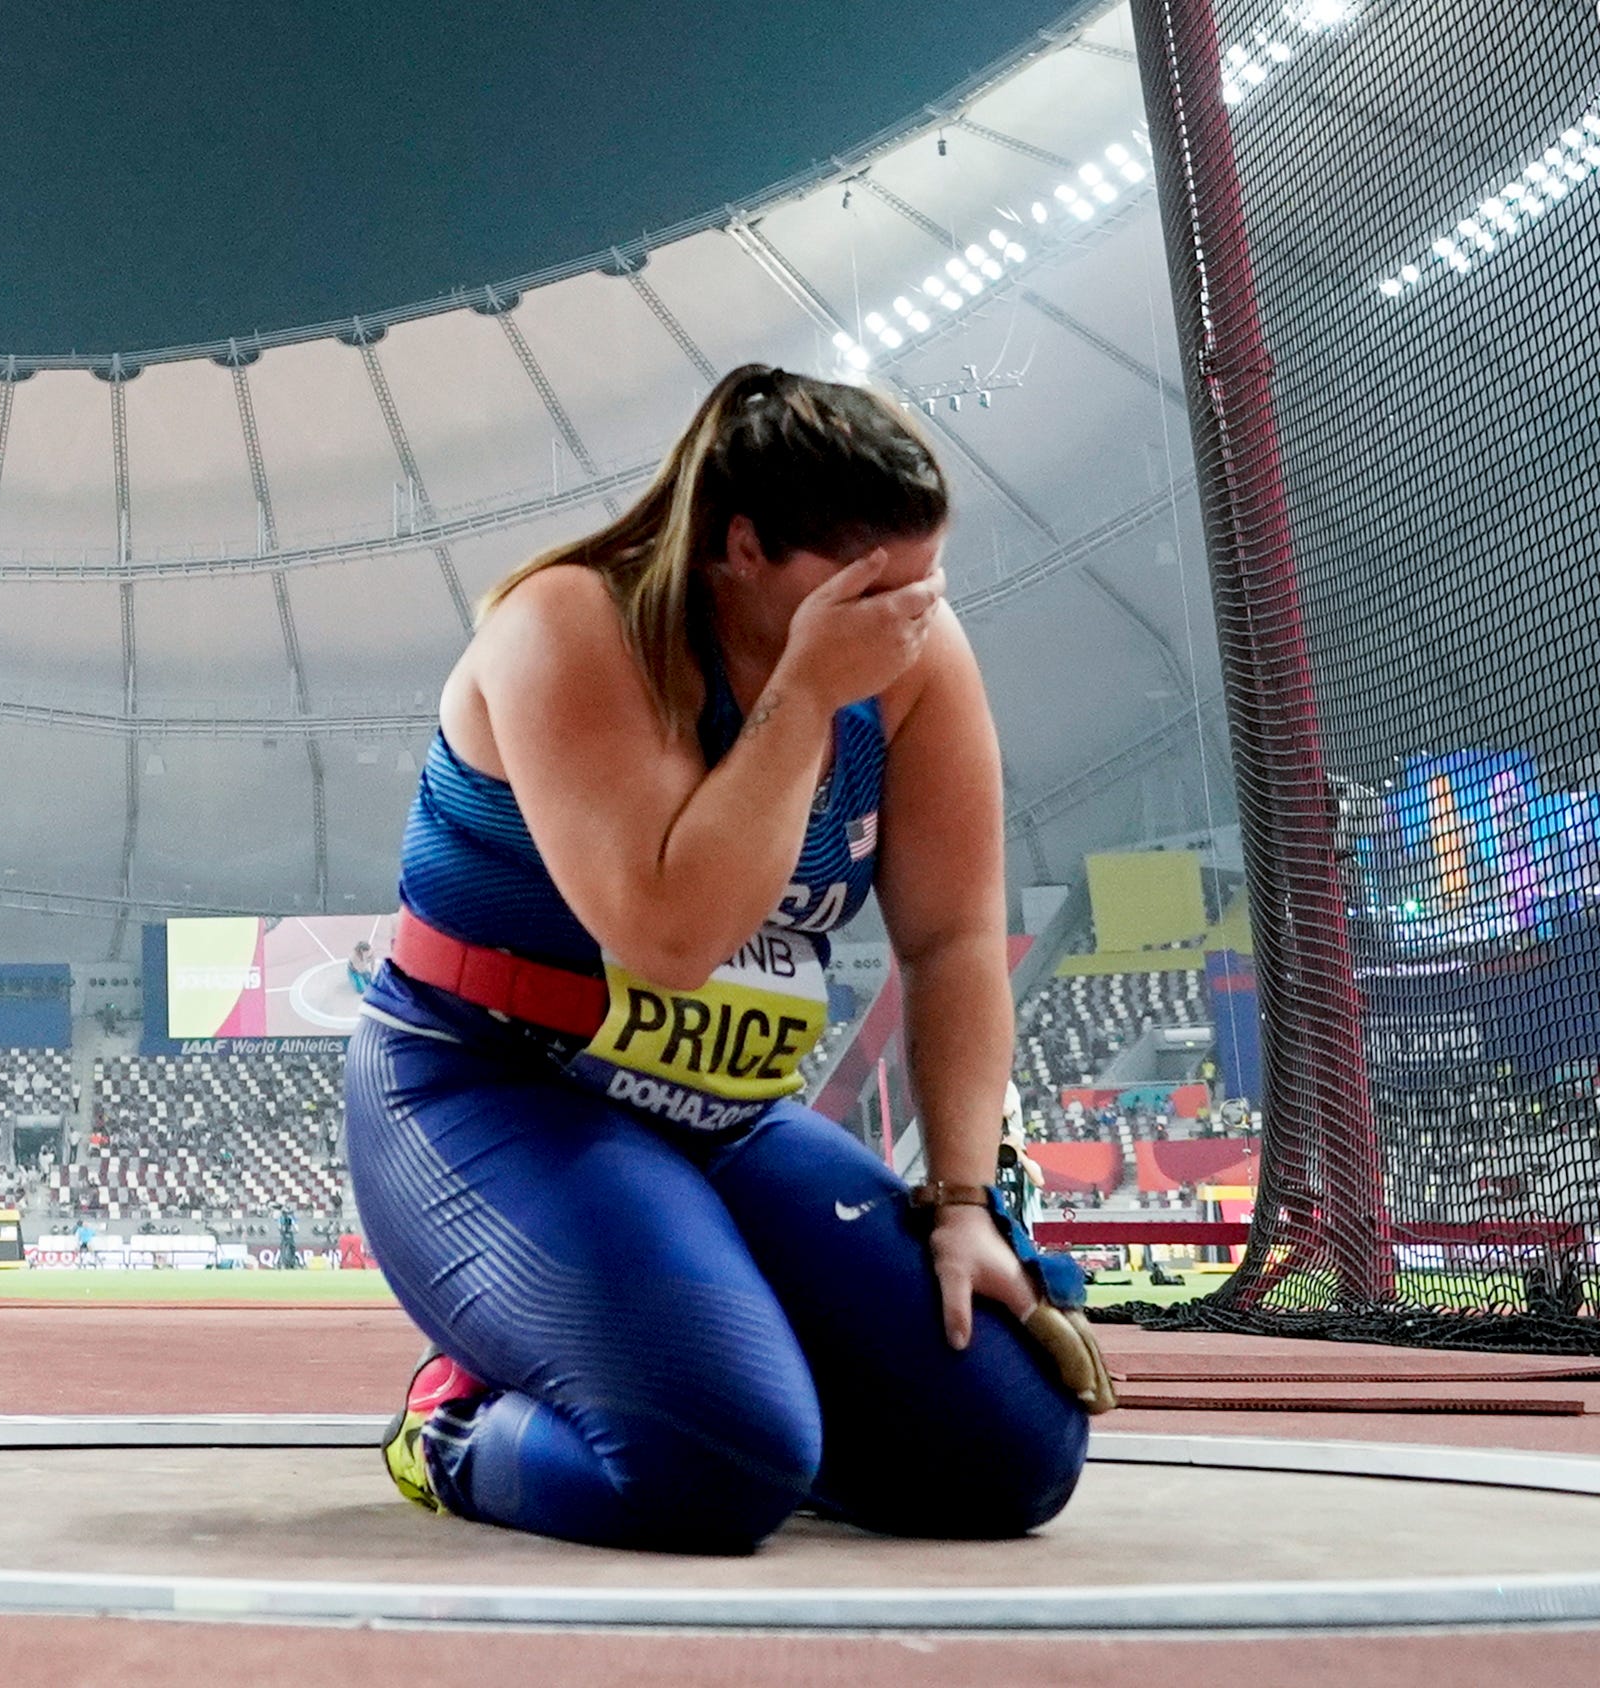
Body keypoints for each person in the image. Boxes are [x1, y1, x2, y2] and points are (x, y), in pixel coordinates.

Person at [344, 363, 1110, 1555]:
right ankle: (453, 1425)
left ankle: (734, 1382)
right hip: (490, 1092)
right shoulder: (565, 624)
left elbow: (953, 940)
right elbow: (667, 935)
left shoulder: (908, 652)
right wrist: (805, 696)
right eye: (865, 588)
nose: (904, 618)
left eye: (923, 581)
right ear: (741, 548)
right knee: (707, 1461)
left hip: (721, 1115)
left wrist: (964, 1203)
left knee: (1006, 1450)